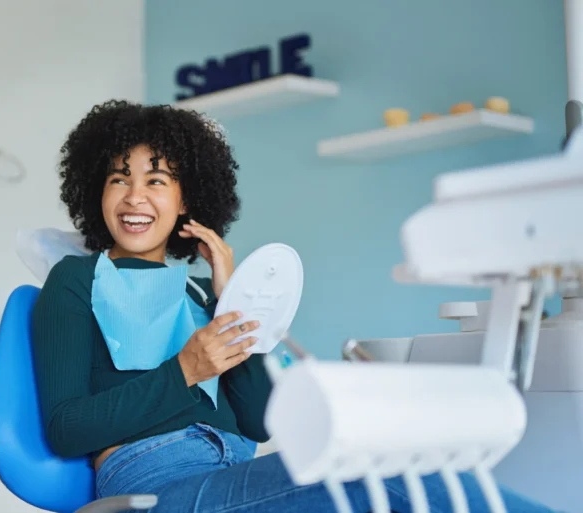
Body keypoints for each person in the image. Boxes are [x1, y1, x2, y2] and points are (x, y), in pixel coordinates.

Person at [30, 100, 556, 513]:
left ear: (185, 201)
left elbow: (258, 421)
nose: (134, 196)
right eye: (118, 178)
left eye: (155, 181)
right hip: (156, 486)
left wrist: (229, 299)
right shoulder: (75, 281)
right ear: (96, 192)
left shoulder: (197, 295)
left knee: (395, 469)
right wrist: (185, 370)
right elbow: (65, 427)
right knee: (384, 479)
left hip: (232, 472)